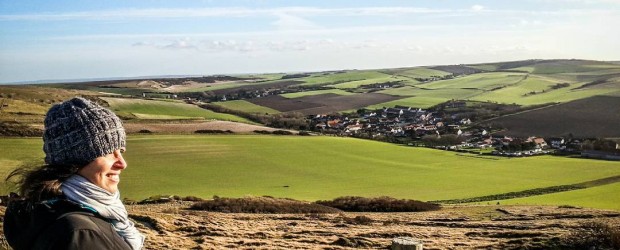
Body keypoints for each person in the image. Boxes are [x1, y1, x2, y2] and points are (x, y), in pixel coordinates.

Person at [4, 97, 144, 250]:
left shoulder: (55, 213)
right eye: (109, 152)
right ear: (74, 160)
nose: (122, 163)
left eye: (121, 151)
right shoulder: (80, 234)